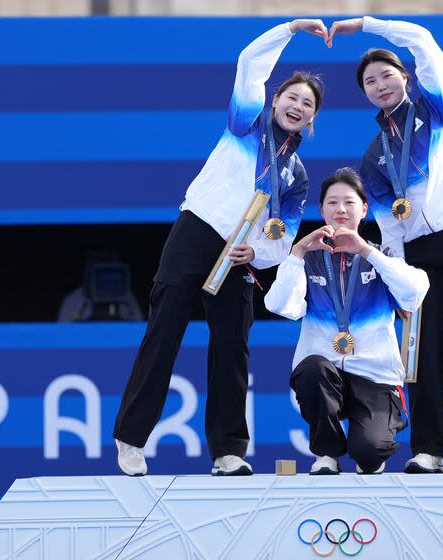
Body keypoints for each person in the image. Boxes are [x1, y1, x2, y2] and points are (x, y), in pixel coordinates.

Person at [112, 19, 328, 477]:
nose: (297, 105)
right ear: (274, 101)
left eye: (306, 104)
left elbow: (282, 234)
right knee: (164, 329)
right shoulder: (245, 123)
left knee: (232, 345)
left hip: (239, 255)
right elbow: (250, 63)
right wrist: (290, 29)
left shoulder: (298, 176)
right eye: (291, 97)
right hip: (198, 230)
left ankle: (229, 451)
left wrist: (260, 256)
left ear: (312, 120)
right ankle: (131, 438)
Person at [327, 17, 443, 473]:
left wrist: (366, 25)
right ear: (363, 93)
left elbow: (423, 41)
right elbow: (389, 227)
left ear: (406, 77)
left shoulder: (437, 108)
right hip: (418, 253)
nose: (380, 84)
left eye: (387, 74)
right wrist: (399, 282)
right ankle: (426, 449)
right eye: (369, 81)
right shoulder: (374, 154)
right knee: (421, 350)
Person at [265, 168, 429, 474]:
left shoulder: (382, 255)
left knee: (369, 453)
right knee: (312, 368)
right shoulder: (308, 258)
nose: (341, 209)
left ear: (364, 209)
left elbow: (415, 292)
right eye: (332, 202)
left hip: (375, 376)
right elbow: (281, 306)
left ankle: (368, 440)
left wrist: (366, 251)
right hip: (327, 375)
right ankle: (326, 454)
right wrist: (298, 252)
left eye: (349, 202)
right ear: (321, 209)